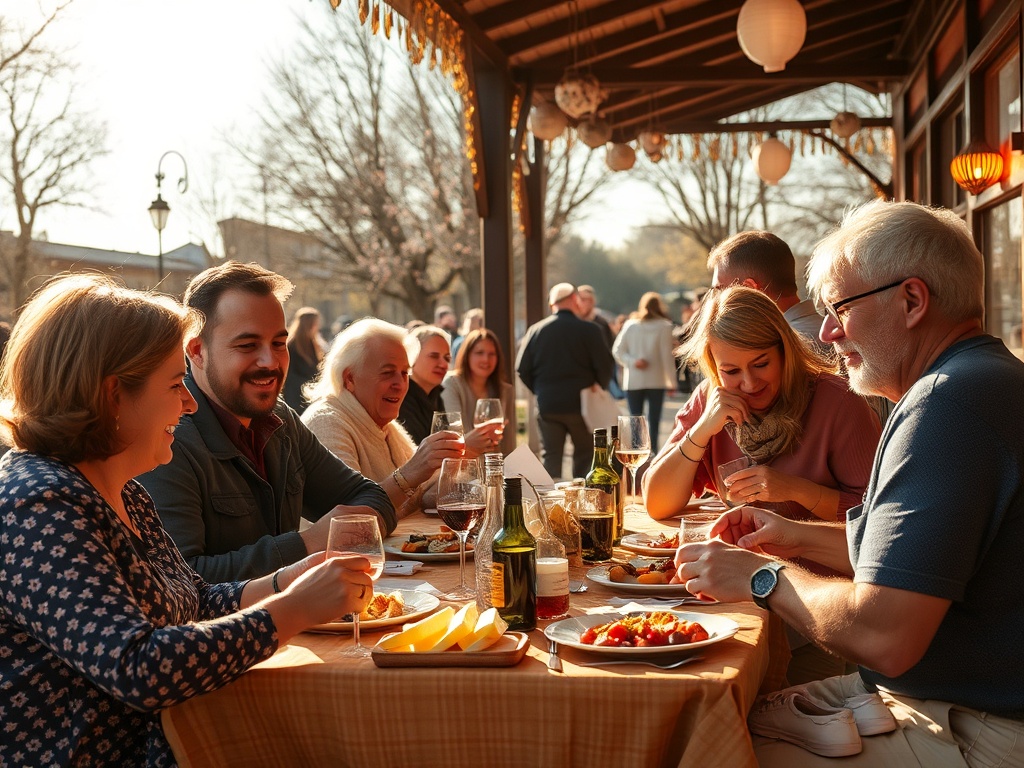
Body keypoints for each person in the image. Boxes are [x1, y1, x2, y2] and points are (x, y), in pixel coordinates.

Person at [675, 200, 1024, 766]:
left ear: (912, 300)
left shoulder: (948, 401)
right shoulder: (976, 379)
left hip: (981, 726)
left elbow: (884, 635)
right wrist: (791, 536)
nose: (829, 331)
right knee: (726, 711)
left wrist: (763, 575)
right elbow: (916, 563)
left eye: (841, 307)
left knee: (706, 745)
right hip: (956, 699)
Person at [0, 275, 374, 767]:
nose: (190, 402)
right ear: (113, 394)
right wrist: (295, 609)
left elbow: (191, 600)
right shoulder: (37, 503)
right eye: (177, 384)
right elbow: (139, 667)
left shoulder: (123, 489)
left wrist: (285, 582)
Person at [139, 261, 394, 583]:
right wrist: (308, 543)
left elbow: (372, 498)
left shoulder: (280, 419)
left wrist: (345, 528)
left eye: (278, 343)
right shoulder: (168, 438)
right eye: (247, 345)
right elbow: (182, 580)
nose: (270, 362)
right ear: (197, 351)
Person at [643, 285, 880, 524]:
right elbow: (656, 504)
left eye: (761, 364)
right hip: (738, 555)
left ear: (784, 351)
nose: (749, 383)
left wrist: (795, 490)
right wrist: (702, 430)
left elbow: (875, 515)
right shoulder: (709, 398)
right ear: (714, 368)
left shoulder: (838, 401)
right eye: (731, 371)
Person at [301, 318, 465, 516]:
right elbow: (347, 518)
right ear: (350, 378)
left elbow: (424, 492)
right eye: (387, 373)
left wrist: (472, 482)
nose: (400, 384)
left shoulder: (386, 424)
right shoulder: (326, 422)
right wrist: (411, 473)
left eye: (404, 373)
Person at [516, 282, 615, 479]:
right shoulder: (590, 330)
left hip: (548, 404)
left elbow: (521, 368)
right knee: (585, 457)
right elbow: (606, 365)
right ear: (573, 300)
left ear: (552, 305)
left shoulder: (536, 330)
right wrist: (598, 385)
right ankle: (583, 504)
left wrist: (540, 390)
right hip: (582, 404)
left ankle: (549, 503)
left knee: (551, 457)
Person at [708, 230, 826, 350]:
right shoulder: (824, 329)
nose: (715, 299)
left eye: (721, 290)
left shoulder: (783, 348)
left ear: (749, 289)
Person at [612, 291, 677, 448]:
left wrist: (633, 362)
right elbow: (666, 357)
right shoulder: (665, 326)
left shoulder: (630, 325)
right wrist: (672, 382)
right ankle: (653, 453)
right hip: (657, 380)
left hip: (634, 380)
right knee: (654, 421)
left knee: (635, 420)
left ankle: (636, 452)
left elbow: (617, 351)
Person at [442, 327, 518, 455]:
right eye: (479, 353)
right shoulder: (451, 384)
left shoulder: (506, 390)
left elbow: (508, 442)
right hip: (464, 464)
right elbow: (458, 435)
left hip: (495, 465)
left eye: (492, 354)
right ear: (467, 355)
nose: (486, 360)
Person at [398, 324, 451, 444]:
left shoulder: (435, 394)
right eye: (434, 356)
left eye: (447, 358)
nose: (443, 364)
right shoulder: (400, 396)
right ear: (412, 357)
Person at [283, 306, 324, 414]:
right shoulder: (292, 345)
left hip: (309, 395)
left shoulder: (312, 343)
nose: (317, 327)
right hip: (297, 398)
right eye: (316, 323)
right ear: (309, 325)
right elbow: (291, 375)